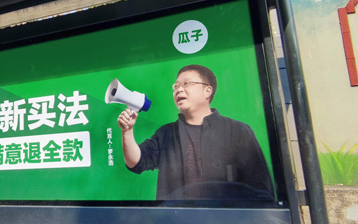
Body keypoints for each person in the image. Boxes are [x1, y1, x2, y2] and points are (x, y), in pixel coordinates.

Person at [117, 64, 274, 201]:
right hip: (175, 220)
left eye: (187, 83)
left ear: (207, 90)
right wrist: (127, 131)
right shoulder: (166, 133)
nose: (179, 89)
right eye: (176, 86)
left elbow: (261, 190)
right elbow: (136, 162)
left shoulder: (238, 131)